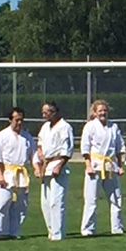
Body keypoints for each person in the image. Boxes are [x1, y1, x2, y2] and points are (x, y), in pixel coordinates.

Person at [80, 99, 125, 237]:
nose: (103, 113)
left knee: (116, 198)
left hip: (110, 166)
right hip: (95, 165)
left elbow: (119, 148)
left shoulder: (114, 127)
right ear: (94, 112)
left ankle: (117, 227)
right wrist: (88, 165)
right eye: (100, 111)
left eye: (105, 110)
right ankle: (88, 229)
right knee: (91, 199)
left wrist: (120, 166)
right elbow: (85, 148)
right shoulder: (90, 126)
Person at [0, 107, 36, 239]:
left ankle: (14, 232)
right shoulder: (2, 136)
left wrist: (37, 169)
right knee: (3, 203)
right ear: (10, 120)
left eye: (21, 120)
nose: (19, 123)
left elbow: (33, 156)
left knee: (20, 205)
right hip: (7, 173)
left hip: (21, 174)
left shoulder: (27, 137)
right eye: (16, 120)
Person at [35, 101, 74, 240]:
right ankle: (51, 231)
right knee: (45, 203)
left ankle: (58, 233)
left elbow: (67, 149)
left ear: (54, 112)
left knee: (56, 202)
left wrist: (60, 165)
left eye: (46, 112)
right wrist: (40, 158)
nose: (44, 115)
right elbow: (40, 143)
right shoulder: (45, 127)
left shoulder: (64, 127)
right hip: (46, 165)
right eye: (43, 113)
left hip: (58, 164)